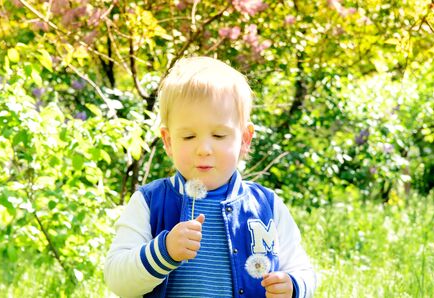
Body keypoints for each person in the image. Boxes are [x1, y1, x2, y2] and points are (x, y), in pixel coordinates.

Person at [104, 56, 317, 297]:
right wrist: (164, 251)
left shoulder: (266, 205)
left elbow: (303, 269)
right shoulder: (150, 202)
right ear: (168, 141)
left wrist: (294, 285)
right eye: (188, 137)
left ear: (244, 140)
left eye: (218, 136)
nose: (204, 148)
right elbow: (117, 279)